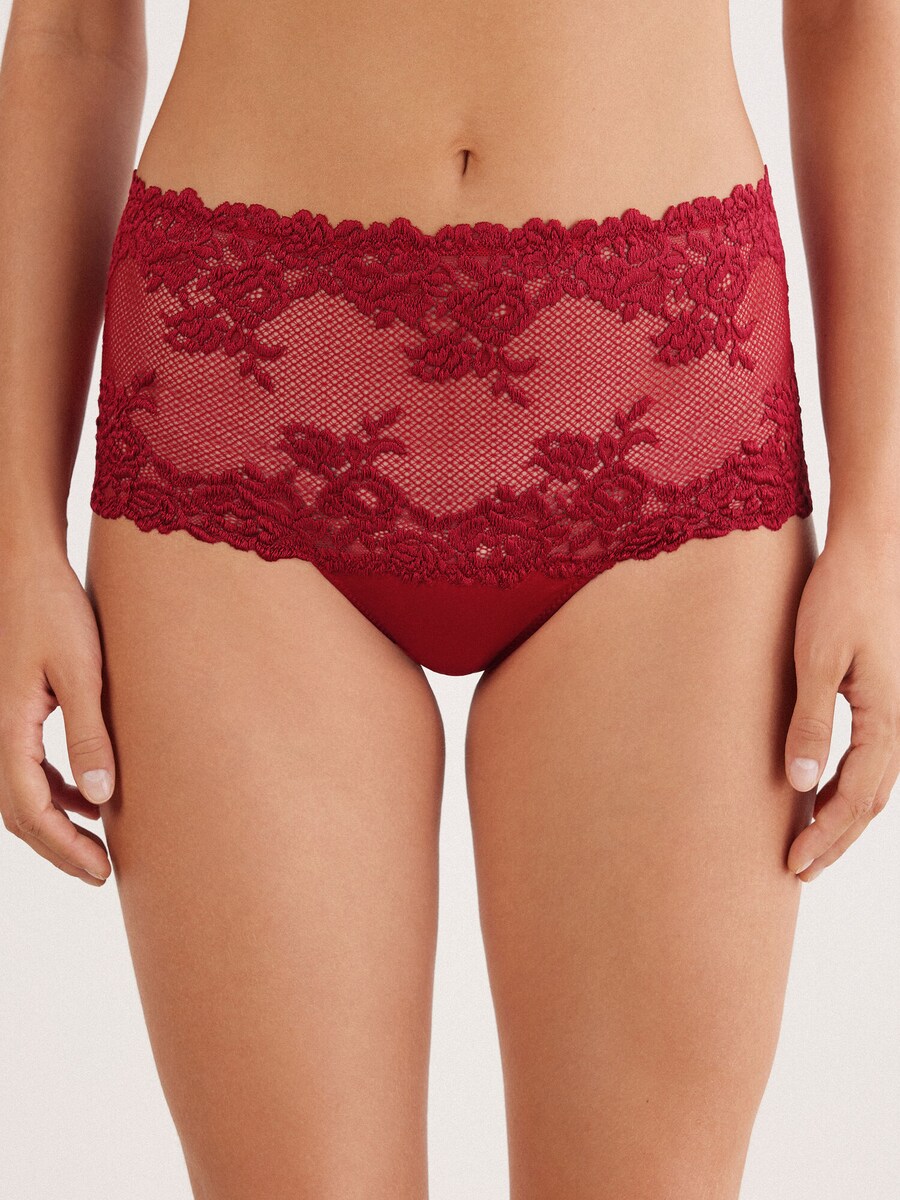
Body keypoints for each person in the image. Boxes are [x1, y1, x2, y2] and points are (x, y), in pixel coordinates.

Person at [0, 1, 897, 1196]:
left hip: (666, 399)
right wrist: (14, 538)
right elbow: (69, 31)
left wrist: (881, 524)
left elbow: (849, 15)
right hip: (243, 395)